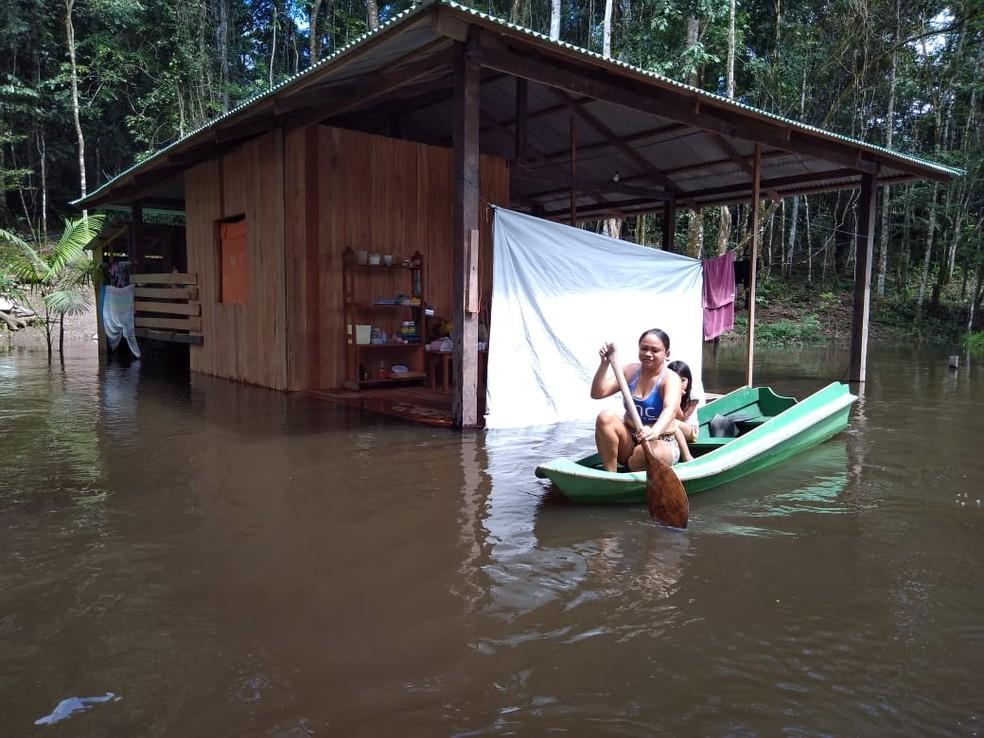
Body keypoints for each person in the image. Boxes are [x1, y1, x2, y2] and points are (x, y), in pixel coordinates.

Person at [591, 328, 682, 473]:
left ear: (667, 354)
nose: (648, 354)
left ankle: (632, 470)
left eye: (655, 350)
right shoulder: (630, 371)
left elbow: (671, 410)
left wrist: (655, 431)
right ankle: (611, 476)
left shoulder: (670, 378)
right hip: (631, 438)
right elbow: (597, 393)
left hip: (662, 443)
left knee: (642, 454)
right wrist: (604, 364)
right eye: (644, 348)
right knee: (605, 417)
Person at [667, 359, 699, 463]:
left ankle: (687, 456)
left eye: (683, 380)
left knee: (672, 423)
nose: (680, 384)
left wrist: (677, 397)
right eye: (676, 380)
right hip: (671, 428)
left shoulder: (692, 398)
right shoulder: (664, 391)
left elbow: (681, 418)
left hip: (690, 430)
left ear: (688, 381)